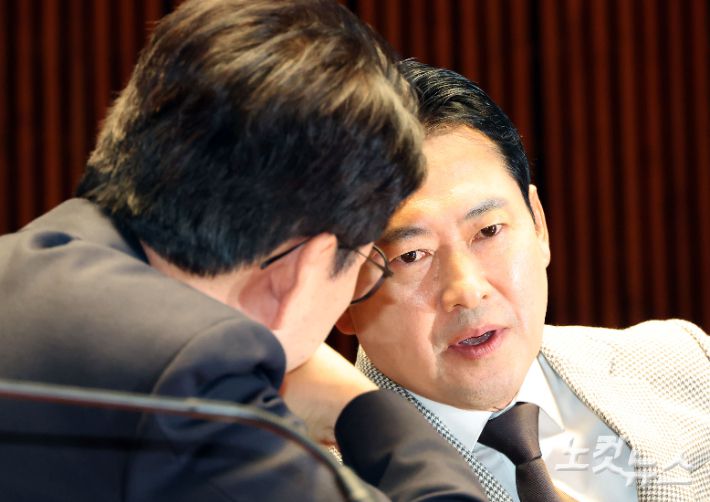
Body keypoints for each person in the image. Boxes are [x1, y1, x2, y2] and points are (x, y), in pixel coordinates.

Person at [0, 3, 488, 501]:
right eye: (364, 266)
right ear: (299, 272)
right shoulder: (190, 376)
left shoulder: (21, 264)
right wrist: (359, 406)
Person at [336, 60, 710, 502]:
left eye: (489, 231)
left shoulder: (684, 361)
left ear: (538, 224)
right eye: (411, 255)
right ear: (336, 290)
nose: (467, 289)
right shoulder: (317, 483)